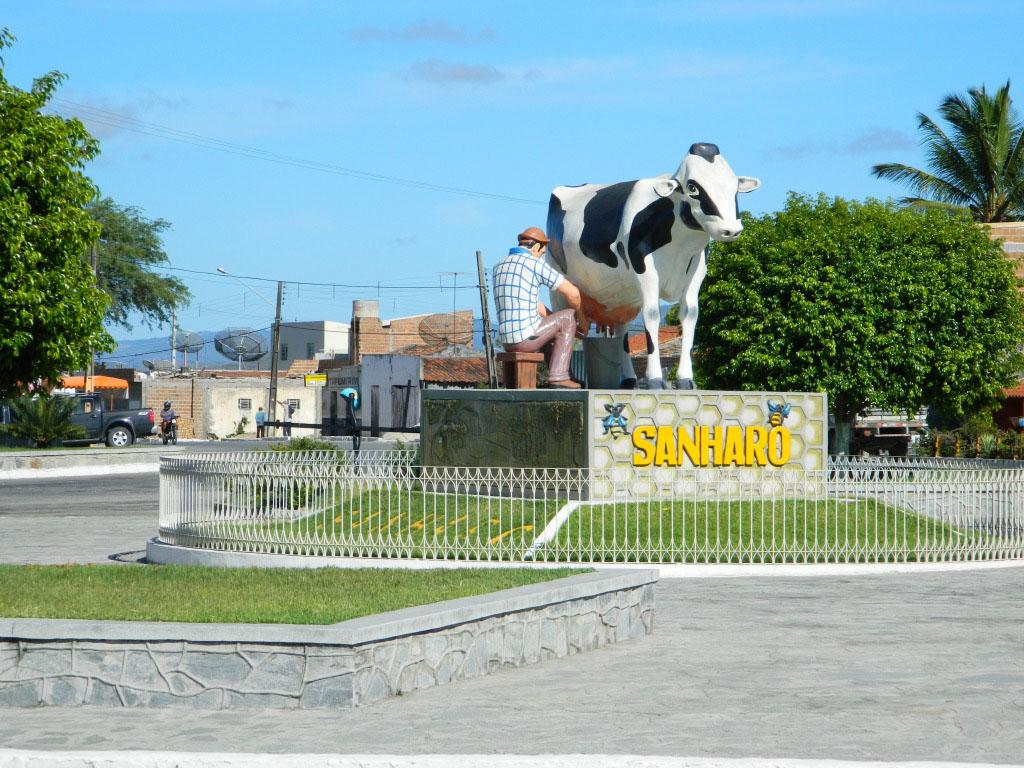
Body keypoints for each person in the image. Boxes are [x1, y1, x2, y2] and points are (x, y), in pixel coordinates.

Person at [493, 226, 587, 389]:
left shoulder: (499, 265)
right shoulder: (533, 264)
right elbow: (573, 293)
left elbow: (538, 307)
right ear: (536, 246)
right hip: (525, 339)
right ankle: (559, 377)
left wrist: (559, 325)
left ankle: (566, 375)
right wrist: (581, 321)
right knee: (569, 316)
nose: (542, 255)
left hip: (507, 341)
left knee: (555, 324)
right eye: (542, 252)